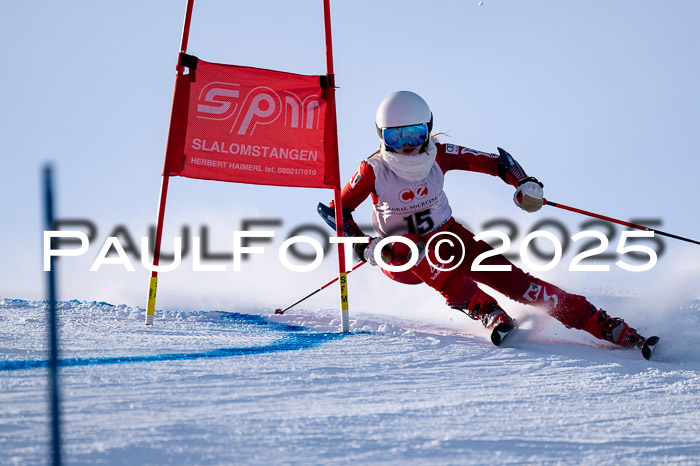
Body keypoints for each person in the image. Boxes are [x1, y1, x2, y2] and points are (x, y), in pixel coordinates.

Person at [330, 90, 650, 350]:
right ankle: (486, 310)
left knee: (520, 284)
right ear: (382, 137)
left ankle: (606, 326)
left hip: (448, 237)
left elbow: (498, 163)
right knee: (412, 249)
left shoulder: (440, 154)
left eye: (415, 134)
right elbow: (336, 211)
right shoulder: (374, 170)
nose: (409, 147)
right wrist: (365, 247)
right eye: (397, 138)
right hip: (398, 253)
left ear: (428, 129)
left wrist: (524, 183)